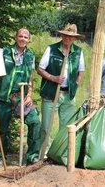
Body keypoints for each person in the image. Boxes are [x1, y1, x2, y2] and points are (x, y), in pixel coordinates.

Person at [0, 28, 41, 168]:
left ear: (29, 40)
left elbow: (31, 78)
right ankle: (0, 158)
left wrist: (29, 95)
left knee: (34, 122)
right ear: (15, 37)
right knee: (2, 129)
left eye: (25, 37)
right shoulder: (4, 52)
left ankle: (32, 157)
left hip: (21, 98)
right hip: (3, 97)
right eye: (20, 36)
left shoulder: (30, 56)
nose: (23, 39)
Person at [37, 24, 85, 155]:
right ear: (62, 35)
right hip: (51, 93)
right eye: (65, 35)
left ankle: (58, 154)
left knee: (65, 127)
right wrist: (53, 78)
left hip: (68, 95)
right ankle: (44, 153)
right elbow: (40, 70)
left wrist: (75, 85)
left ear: (74, 38)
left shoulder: (78, 52)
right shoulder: (51, 49)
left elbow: (81, 72)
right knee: (46, 126)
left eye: (71, 37)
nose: (68, 38)